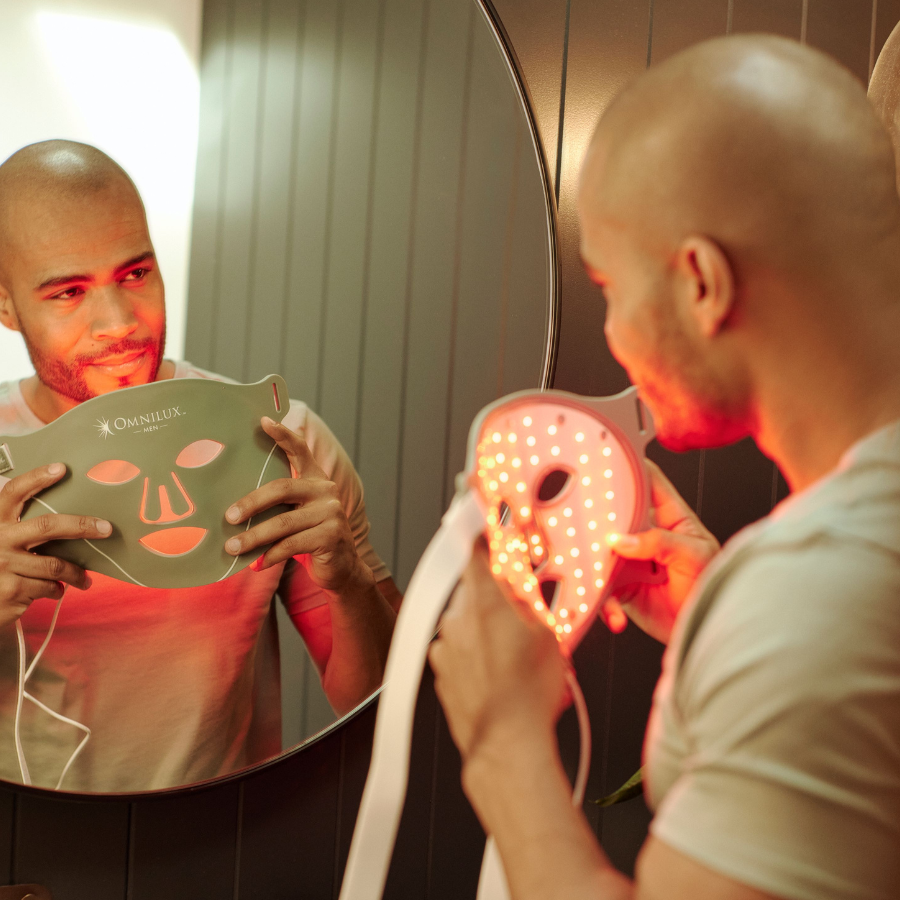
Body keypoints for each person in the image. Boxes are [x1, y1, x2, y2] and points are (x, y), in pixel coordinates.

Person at [429, 34, 900, 900]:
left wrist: (502, 747)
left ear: (701, 283)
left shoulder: (824, 584)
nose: (609, 335)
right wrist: (717, 619)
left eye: (609, 285)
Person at [0, 140, 401, 792]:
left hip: (220, 856)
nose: (118, 323)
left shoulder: (283, 441)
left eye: (135, 274)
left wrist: (349, 581)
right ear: (7, 305)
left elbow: (381, 704)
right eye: (69, 293)